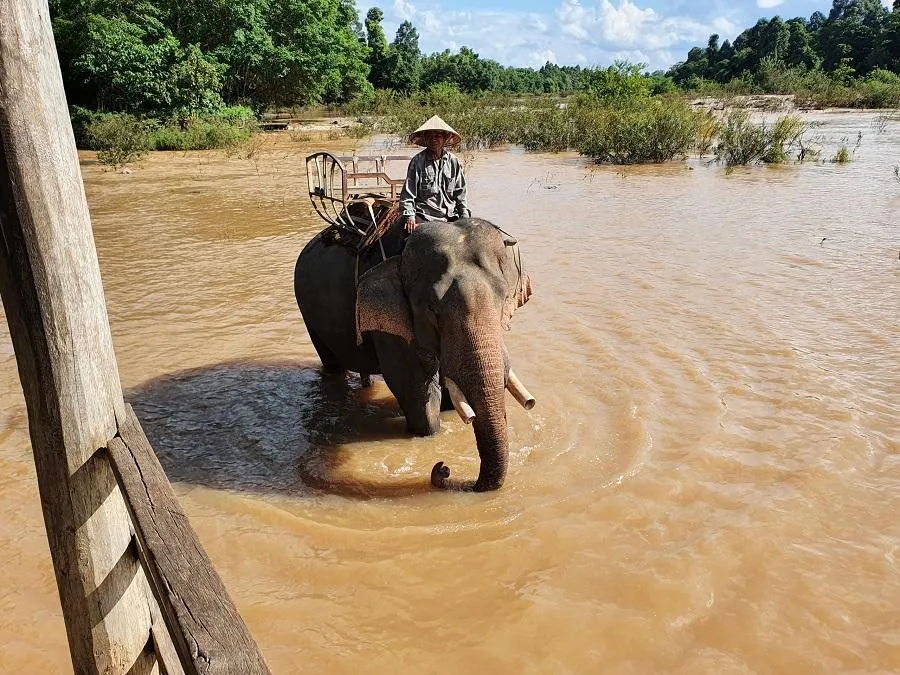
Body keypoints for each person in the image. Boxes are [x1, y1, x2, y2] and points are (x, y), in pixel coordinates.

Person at [400, 116, 471, 234]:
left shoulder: (453, 161)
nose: (434, 139)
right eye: (430, 136)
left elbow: (461, 193)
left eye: (437, 136)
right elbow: (408, 193)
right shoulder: (417, 161)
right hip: (424, 216)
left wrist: (464, 216)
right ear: (426, 139)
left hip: (450, 215)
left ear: (445, 138)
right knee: (407, 241)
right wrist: (410, 216)